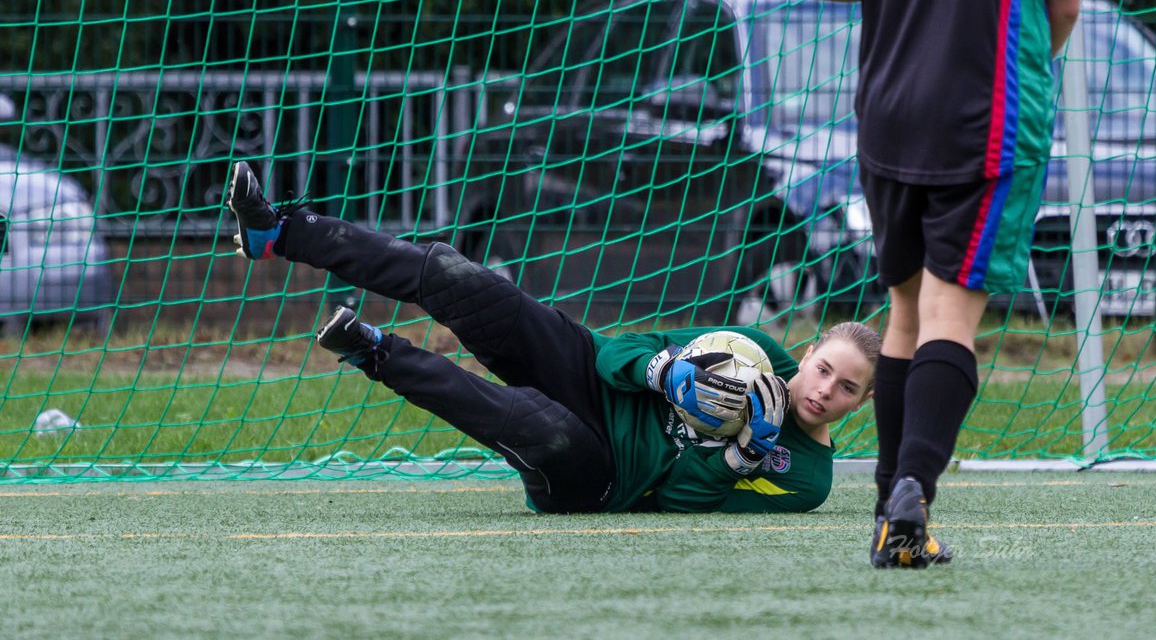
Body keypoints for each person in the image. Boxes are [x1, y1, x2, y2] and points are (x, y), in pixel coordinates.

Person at [224, 161, 880, 514]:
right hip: (590, 374)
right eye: (825, 368)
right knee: (462, 280)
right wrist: (667, 373)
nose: (826, 390)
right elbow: (618, 349)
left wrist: (743, 455)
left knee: (532, 424)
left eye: (847, 388)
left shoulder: (809, 480)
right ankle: (280, 232)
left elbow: (679, 500)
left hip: (604, 477)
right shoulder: (752, 347)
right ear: (814, 348)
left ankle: (374, 351)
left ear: (862, 403)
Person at [786, 0, 1089, 566]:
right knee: (949, 317)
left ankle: (889, 520)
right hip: (988, 114)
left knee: (905, 312)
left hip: (890, 108)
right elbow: (1064, 6)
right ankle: (913, 491)